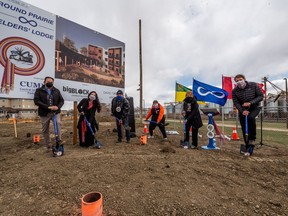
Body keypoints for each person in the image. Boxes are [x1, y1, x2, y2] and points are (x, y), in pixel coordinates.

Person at [232, 74, 264, 154]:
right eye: (237, 80)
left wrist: (250, 103)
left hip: (254, 107)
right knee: (243, 125)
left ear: (244, 79)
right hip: (243, 109)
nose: (239, 81)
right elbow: (236, 102)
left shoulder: (253, 85)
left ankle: (252, 138)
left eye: (240, 79)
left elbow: (260, 96)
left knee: (250, 118)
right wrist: (242, 110)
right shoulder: (234, 91)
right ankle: (247, 143)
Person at [34, 76, 64, 151]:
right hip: (44, 113)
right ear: (44, 82)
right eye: (48, 81)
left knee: (58, 123)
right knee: (45, 129)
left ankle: (59, 141)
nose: (49, 83)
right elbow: (36, 101)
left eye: (51, 82)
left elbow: (61, 100)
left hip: (55, 112)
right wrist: (48, 107)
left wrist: (58, 107)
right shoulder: (39, 90)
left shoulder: (56, 90)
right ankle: (48, 145)